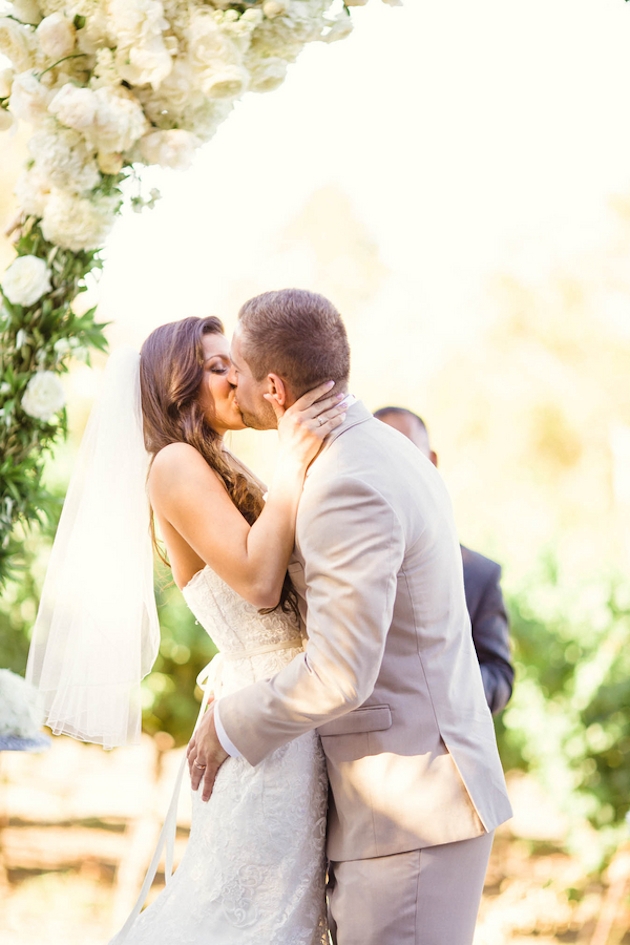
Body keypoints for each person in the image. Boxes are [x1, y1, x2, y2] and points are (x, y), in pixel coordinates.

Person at [189, 289, 513, 945]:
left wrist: (228, 722)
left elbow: (340, 671)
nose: (231, 384)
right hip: (397, 808)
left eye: (239, 372)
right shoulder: (371, 452)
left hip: (412, 813)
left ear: (273, 386)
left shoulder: (347, 478)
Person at [27, 315, 347, 945]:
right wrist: (292, 462)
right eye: (217, 365)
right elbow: (259, 585)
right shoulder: (173, 464)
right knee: (253, 921)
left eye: (237, 363)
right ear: (177, 383)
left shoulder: (214, 464)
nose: (237, 378)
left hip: (280, 712)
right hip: (269, 733)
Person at [373, 406, 514, 714]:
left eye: (408, 452)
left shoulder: (478, 573)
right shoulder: (338, 558)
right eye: (383, 454)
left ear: (432, 461)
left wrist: (445, 685)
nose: (397, 467)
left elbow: (499, 677)